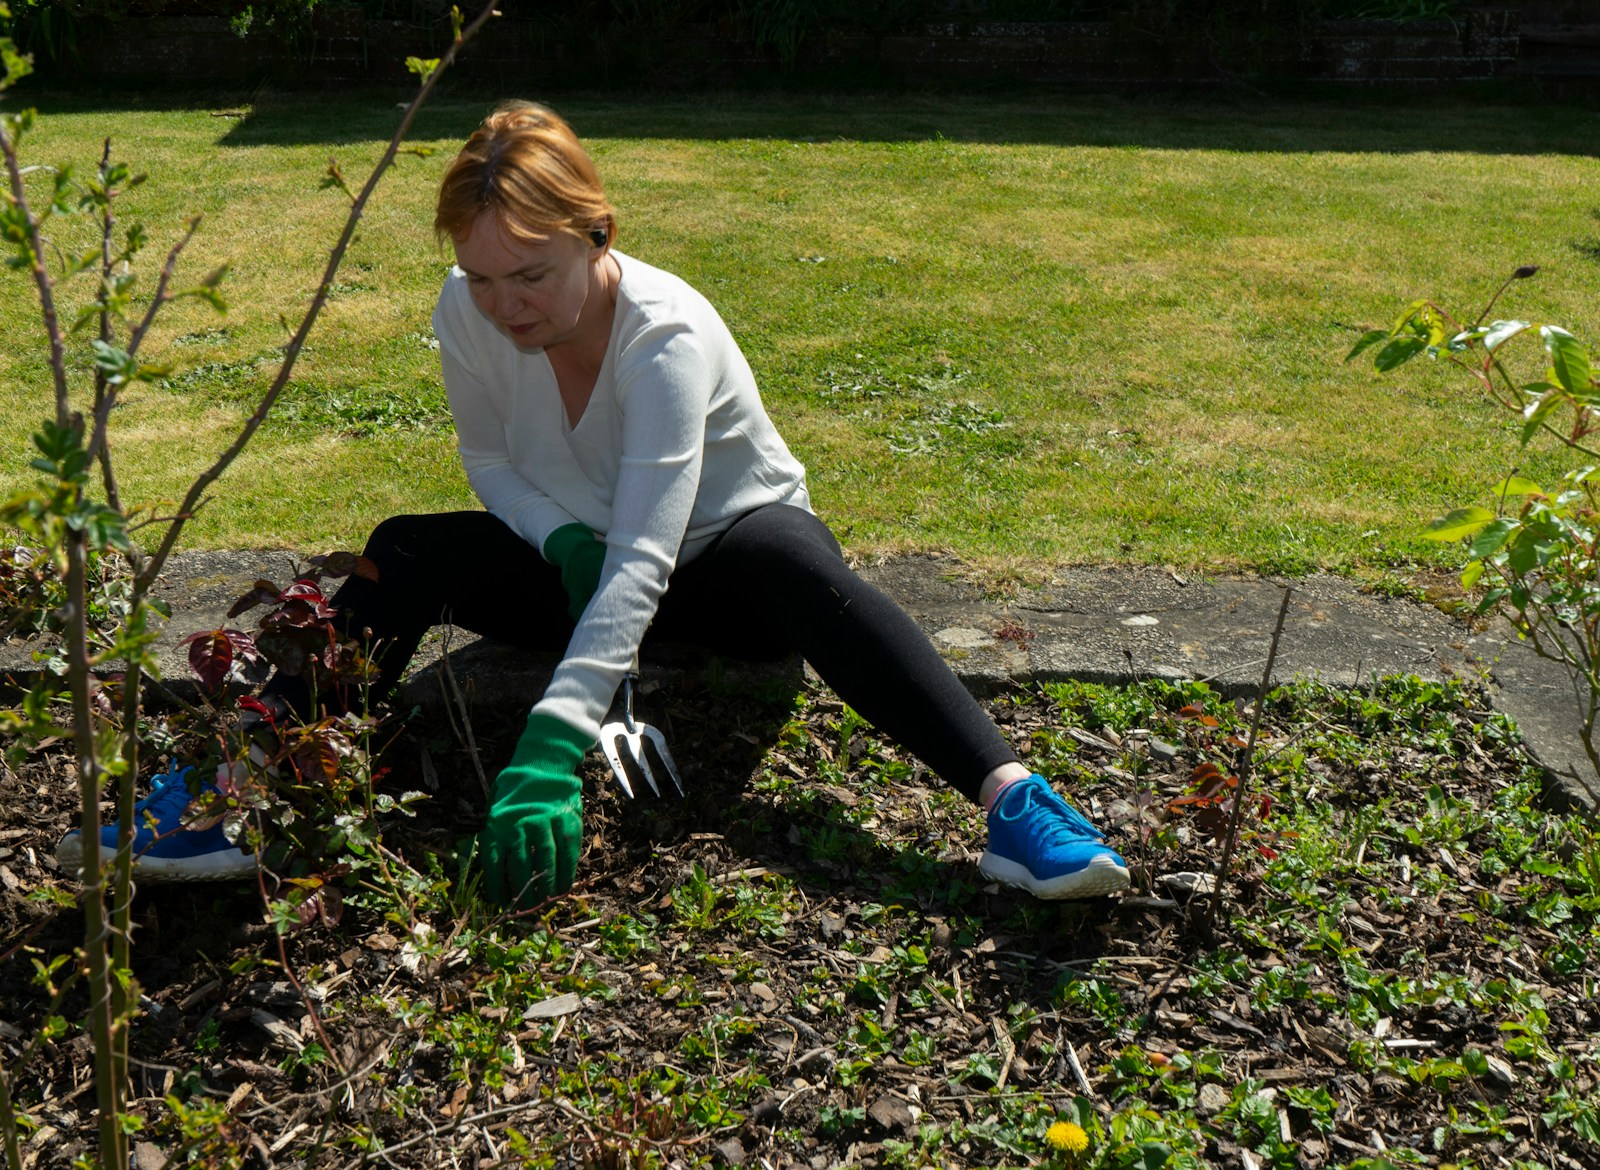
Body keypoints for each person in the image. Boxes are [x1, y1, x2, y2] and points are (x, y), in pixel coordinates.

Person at [58, 102, 1129, 904]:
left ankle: (1014, 806)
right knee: (403, 550)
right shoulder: (467, 311)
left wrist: (554, 739)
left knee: (794, 563)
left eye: (530, 274)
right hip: (583, 568)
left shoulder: (666, 335)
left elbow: (651, 553)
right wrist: (558, 534)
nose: (504, 305)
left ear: (597, 235)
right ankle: (240, 792)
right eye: (481, 276)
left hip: (723, 580)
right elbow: (488, 458)